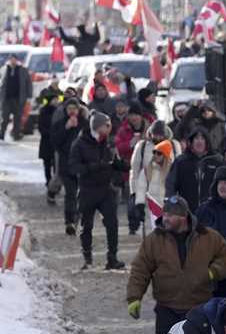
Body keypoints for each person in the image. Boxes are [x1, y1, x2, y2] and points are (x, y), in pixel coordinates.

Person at [126, 195, 226, 334]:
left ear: (183, 217)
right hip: (166, 309)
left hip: (199, 308)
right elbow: (140, 269)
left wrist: (212, 272)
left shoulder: (208, 236)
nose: (165, 218)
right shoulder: (154, 240)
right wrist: (134, 297)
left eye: (170, 215)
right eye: (164, 214)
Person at [68, 110, 129, 271]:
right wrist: (92, 167)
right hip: (87, 190)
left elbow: (113, 161)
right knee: (86, 225)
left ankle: (112, 258)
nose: (110, 128)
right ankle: (87, 258)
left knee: (112, 223)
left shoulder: (108, 142)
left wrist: (122, 165)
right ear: (97, 127)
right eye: (106, 125)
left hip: (105, 189)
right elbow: (73, 168)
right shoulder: (80, 143)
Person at [127, 120, 171, 232]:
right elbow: (135, 170)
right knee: (152, 230)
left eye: (160, 134)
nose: (157, 137)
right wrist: (135, 194)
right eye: (155, 134)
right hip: (148, 195)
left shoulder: (173, 146)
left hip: (167, 193)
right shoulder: (142, 146)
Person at [166, 126, 225, 208]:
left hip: (212, 212)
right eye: (196, 138)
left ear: (207, 142)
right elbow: (170, 185)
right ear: (191, 142)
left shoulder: (216, 161)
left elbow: (225, 185)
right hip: (187, 211)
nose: (199, 141)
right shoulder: (181, 161)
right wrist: (172, 203)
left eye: (202, 138)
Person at [53, 99, 88, 235]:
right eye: (69, 108)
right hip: (66, 165)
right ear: (65, 110)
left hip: (82, 164)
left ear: (79, 110)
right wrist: (66, 128)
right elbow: (55, 142)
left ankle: (78, 218)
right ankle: (69, 221)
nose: (72, 111)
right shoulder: (60, 124)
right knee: (70, 194)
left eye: (75, 108)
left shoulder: (85, 124)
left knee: (82, 195)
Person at [35, 82, 62, 200]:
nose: (56, 102)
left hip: (56, 142)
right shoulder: (43, 111)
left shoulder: (59, 112)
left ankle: (55, 184)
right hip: (46, 142)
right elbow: (41, 127)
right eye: (54, 100)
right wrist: (49, 133)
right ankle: (48, 181)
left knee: (57, 165)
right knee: (47, 164)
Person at [0, 53, 32, 140]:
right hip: (6, 99)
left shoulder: (23, 70)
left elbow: (28, 83)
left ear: (17, 60)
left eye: (14, 59)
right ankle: (1, 134)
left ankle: (16, 134)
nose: (13, 61)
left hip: (18, 98)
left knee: (17, 118)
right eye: (11, 59)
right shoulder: (4, 69)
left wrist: (29, 96)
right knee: (4, 118)